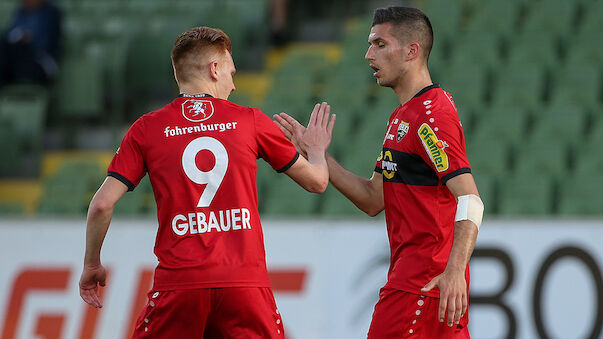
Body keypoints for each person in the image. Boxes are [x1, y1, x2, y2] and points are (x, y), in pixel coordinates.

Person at [78, 26, 335, 338]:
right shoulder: (250, 120)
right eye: (230, 71)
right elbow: (317, 182)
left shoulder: (146, 129)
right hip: (244, 286)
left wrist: (92, 264)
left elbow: (102, 204)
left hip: (179, 285)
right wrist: (317, 150)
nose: (234, 84)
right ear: (215, 69)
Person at [275, 6, 483, 338]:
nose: (368, 54)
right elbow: (373, 199)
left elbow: (470, 199)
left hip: (420, 285)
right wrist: (319, 156)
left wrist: (455, 270)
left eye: (380, 44)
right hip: (424, 285)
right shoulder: (403, 116)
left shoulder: (430, 116)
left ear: (412, 51)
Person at [0, 0, 61, 87]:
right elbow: (8, 35)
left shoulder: (50, 12)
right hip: (18, 60)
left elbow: (42, 43)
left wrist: (25, 38)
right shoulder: (21, 12)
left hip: (41, 62)